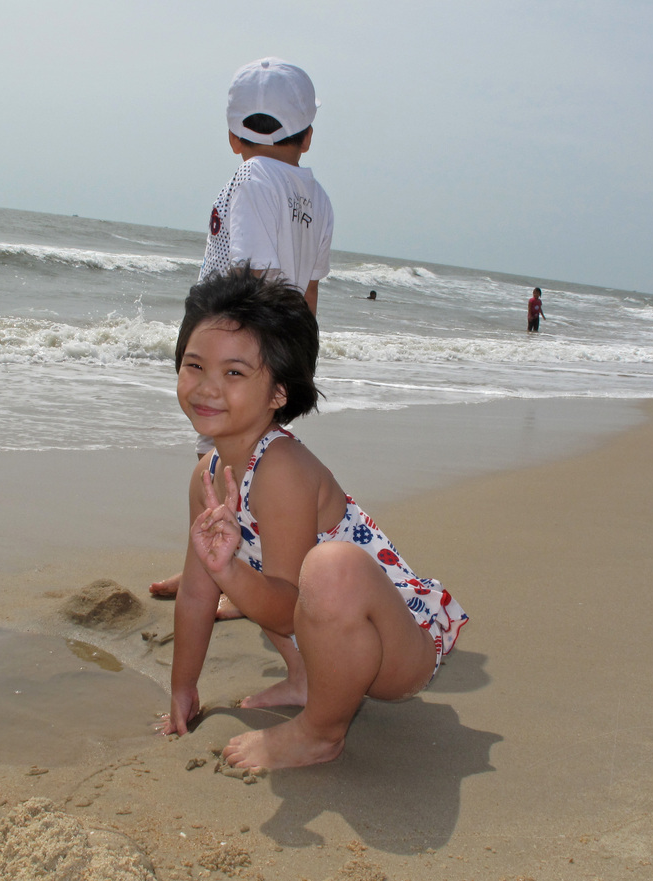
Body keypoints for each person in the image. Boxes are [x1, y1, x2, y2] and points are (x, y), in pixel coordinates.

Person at [159, 268, 469, 770]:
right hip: (324, 630)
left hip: (392, 646)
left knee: (326, 568)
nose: (207, 387)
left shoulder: (280, 468)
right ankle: (308, 680)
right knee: (252, 567)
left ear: (278, 393)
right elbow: (197, 593)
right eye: (194, 365)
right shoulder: (207, 475)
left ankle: (320, 734)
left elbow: (286, 610)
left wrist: (228, 571)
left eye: (234, 373)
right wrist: (182, 688)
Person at [150, 57, 335, 605]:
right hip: (273, 354)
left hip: (237, 349)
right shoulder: (318, 198)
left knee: (218, 460)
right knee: (247, 461)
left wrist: (228, 358)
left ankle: (219, 572)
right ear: (308, 136)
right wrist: (294, 364)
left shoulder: (251, 178)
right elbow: (310, 290)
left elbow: (254, 272)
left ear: (233, 137)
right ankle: (226, 568)